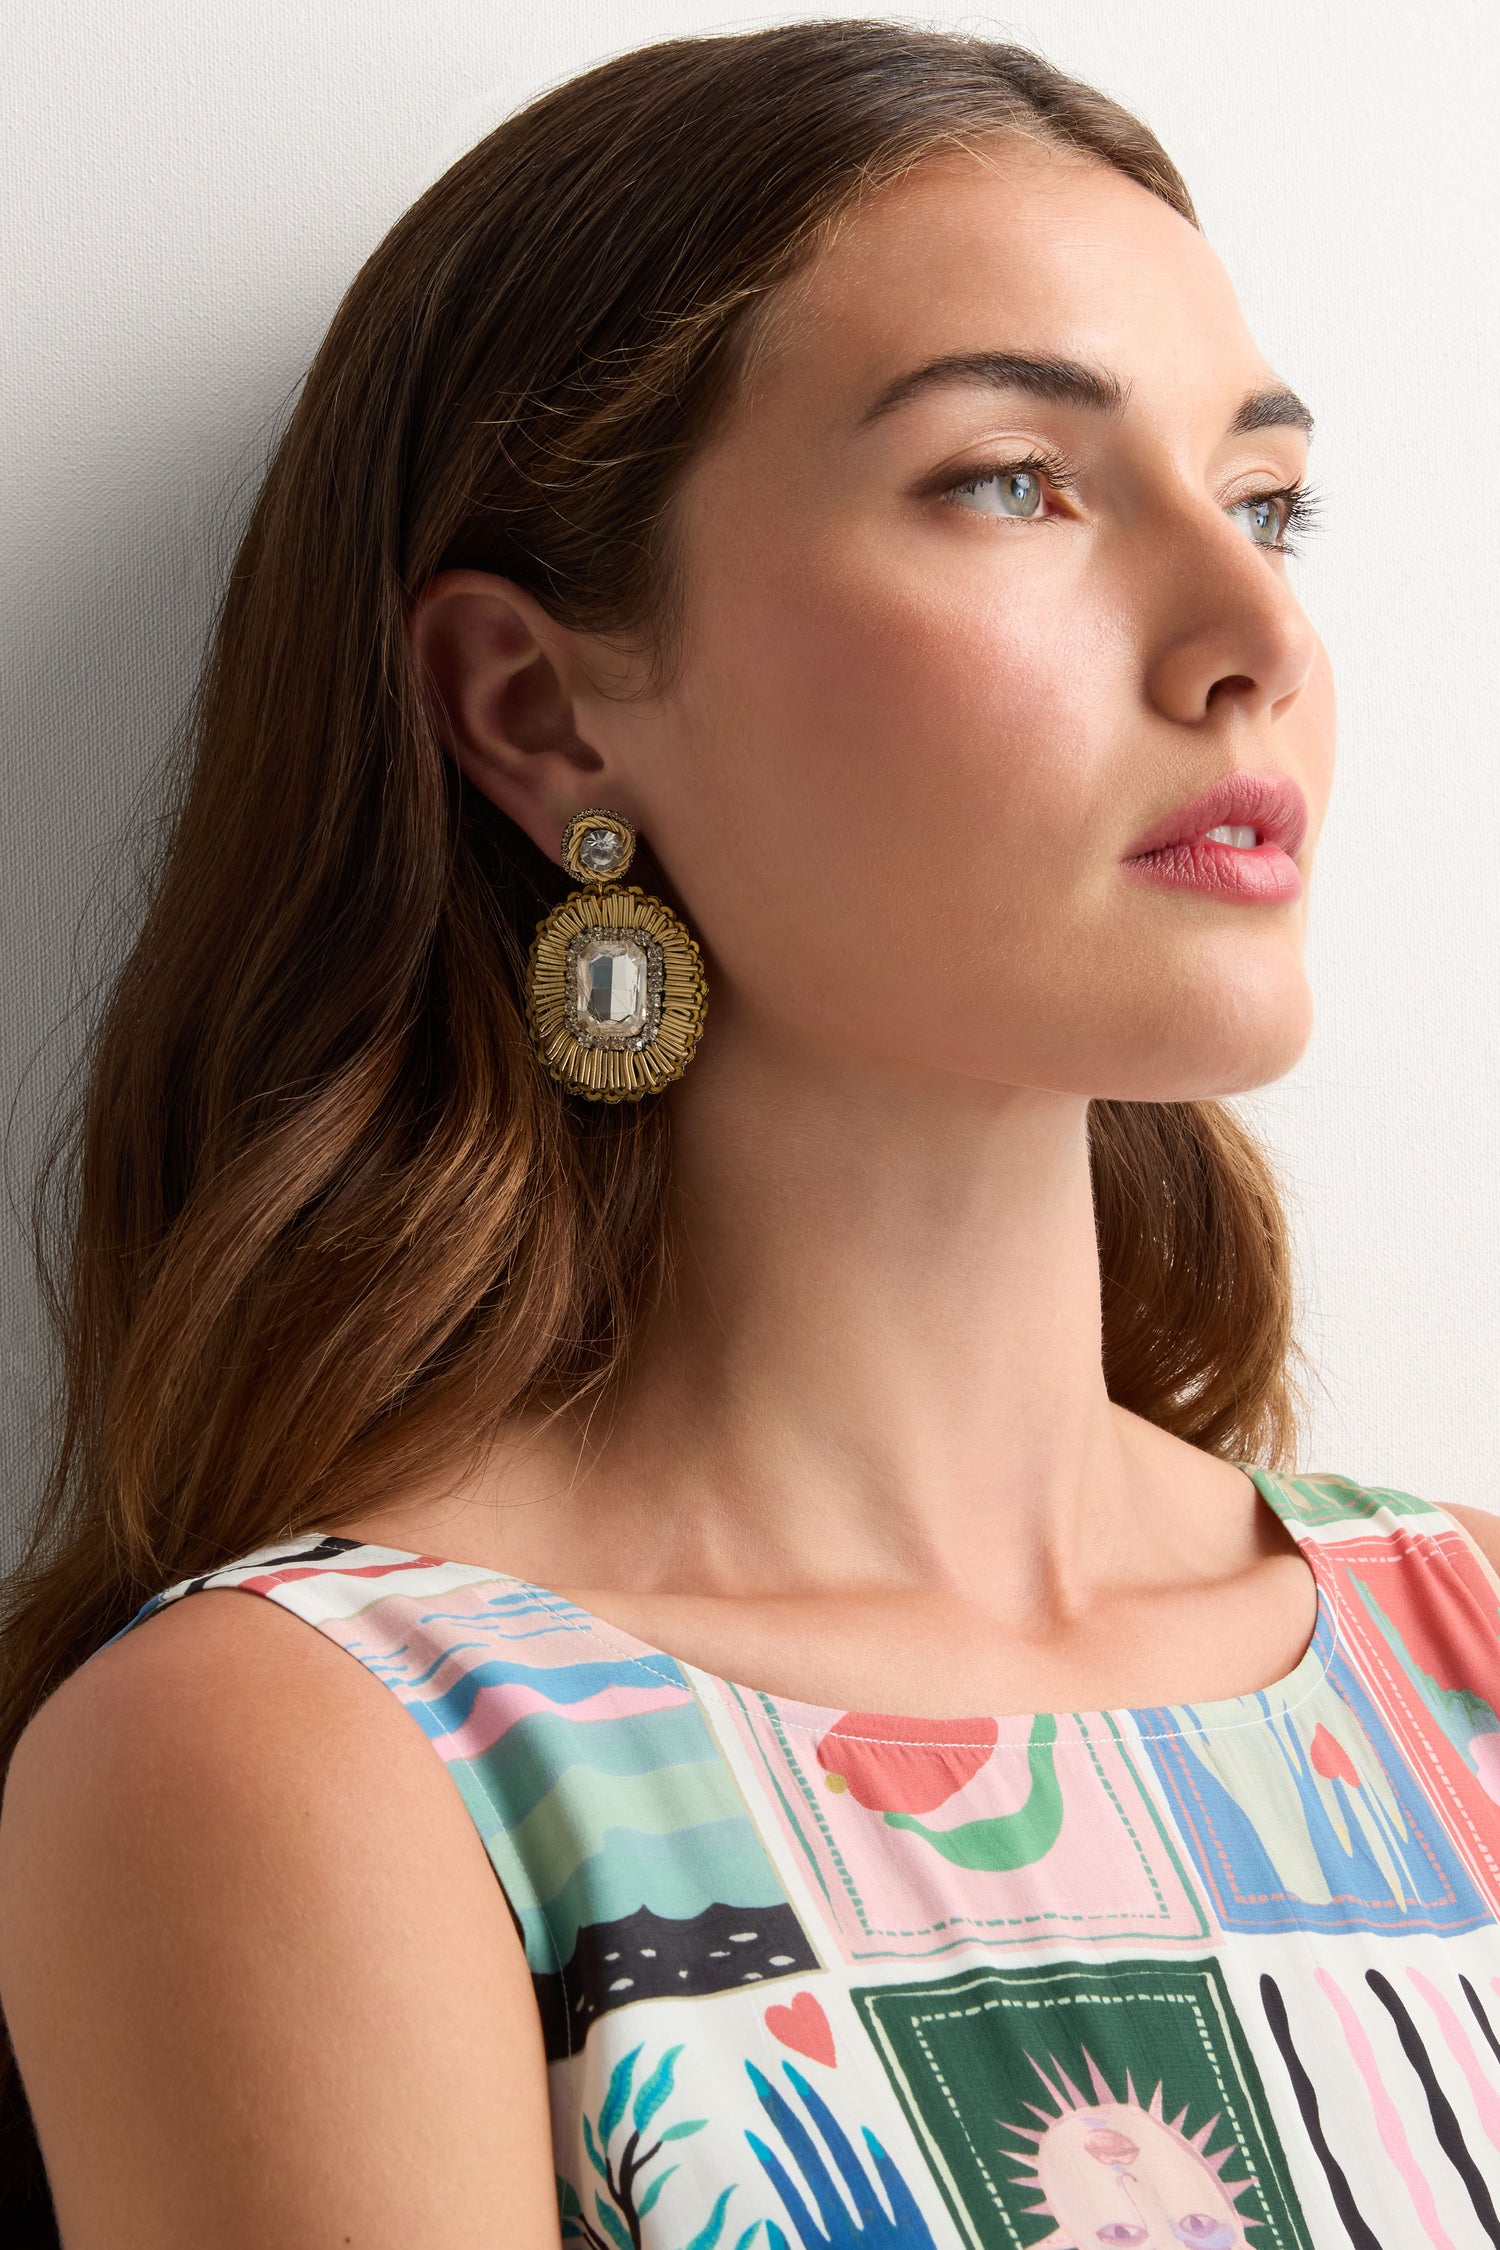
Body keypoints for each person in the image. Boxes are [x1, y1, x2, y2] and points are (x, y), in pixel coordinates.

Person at [2, 18, 1497, 2247]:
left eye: (1268, 499)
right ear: (538, 702)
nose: (1250, 632)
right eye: (1017, 480)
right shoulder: (326, 1756)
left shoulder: (1468, 1661)